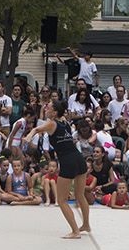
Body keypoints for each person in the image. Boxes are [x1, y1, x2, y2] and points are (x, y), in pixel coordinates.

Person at [25, 101, 91, 238]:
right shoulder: (64, 122)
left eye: (48, 107)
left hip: (68, 161)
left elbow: (36, 129)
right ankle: (85, 224)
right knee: (80, 195)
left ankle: (75, 231)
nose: (45, 108)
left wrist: (29, 135)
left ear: (55, 112)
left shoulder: (52, 123)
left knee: (61, 200)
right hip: (79, 159)